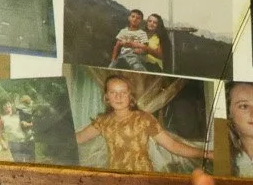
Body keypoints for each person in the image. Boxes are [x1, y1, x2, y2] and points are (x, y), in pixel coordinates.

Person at [74, 73, 210, 174]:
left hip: (143, 177)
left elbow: (173, 146)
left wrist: (207, 154)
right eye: (113, 92)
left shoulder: (144, 119)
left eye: (123, 92)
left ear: (130, 95)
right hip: (115, 180)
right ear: (107, 97)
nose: (118, 97)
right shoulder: (102, 121)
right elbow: (77, 138)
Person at [0, 96, 36, 163]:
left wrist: (27, 124)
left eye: (8, 103)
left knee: (32, 163)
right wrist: (2, 142)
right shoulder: (1, 118)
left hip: (28, 141)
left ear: (11, 104)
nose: (7, 106)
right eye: (4, 105)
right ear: (2, 107)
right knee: (19, 164)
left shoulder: (19, 113)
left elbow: (33, 122)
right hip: (14, 144)